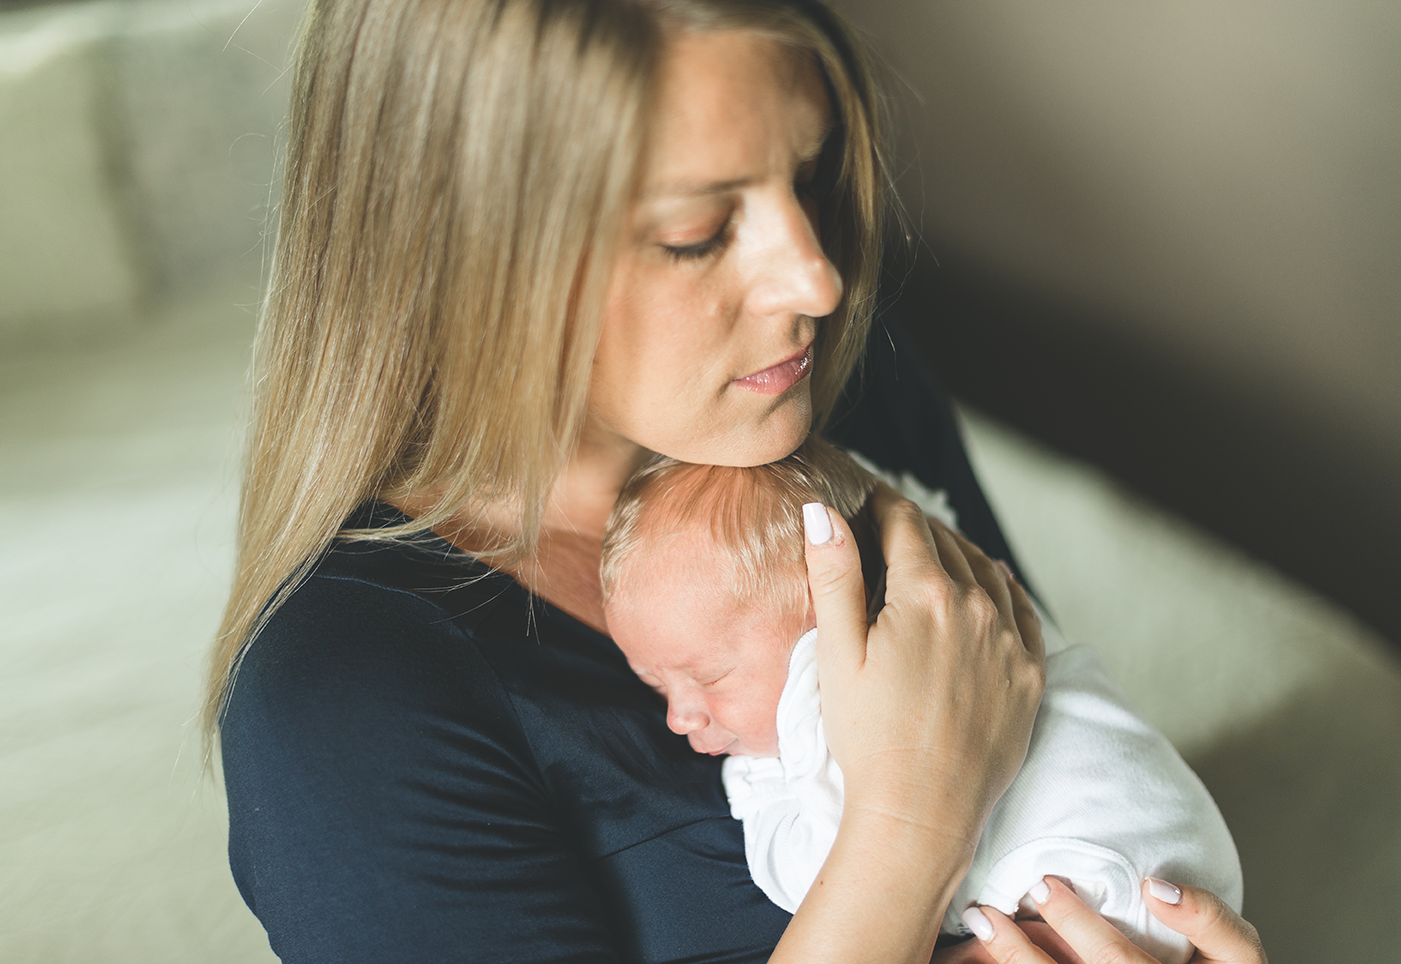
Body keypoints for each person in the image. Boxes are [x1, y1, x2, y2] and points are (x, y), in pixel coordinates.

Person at [208, 0, 1270, 960]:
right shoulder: (345, 700)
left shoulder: (851, 405)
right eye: (697, 232)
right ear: (464, 253)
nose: (817, 278)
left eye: (806, 177)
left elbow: (1062, 756)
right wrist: (907, 826)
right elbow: (953, 783)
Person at [599, 437, 1243, 964]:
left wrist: (760, 783)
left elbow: (818, 878)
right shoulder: (941, 571)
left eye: (709, 677)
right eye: (654, 683)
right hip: (1183, 861)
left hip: (1098, 896)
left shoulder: (831, 707)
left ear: (837, 613)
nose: (677, 716)